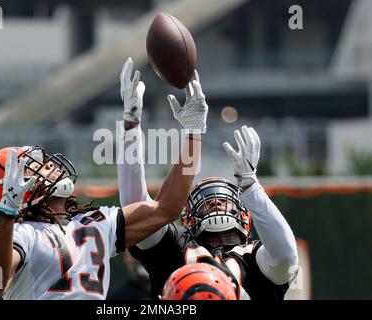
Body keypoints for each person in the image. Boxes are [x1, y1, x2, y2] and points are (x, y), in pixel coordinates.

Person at [0, 57, 208, 300]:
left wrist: (193, 131)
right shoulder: (13, 233)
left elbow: (167, 209)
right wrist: (7, 212)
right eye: (36, 166)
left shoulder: (96, 222)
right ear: (11, 188)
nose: (49, 165)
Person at [117, 59, 299, 300]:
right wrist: (131, 126)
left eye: (222, 200)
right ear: (189, 216)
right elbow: (135, 209)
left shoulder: (255, 258)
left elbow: (286, 255)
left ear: (245, 212)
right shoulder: (177, 249)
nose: (213, 203)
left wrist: (250, 185)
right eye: (203, 201)